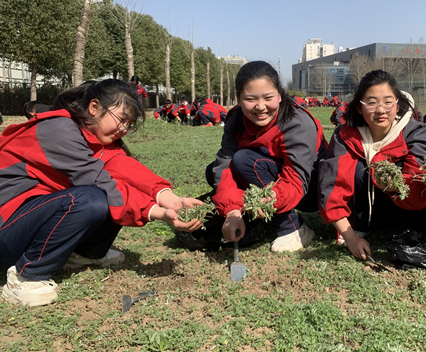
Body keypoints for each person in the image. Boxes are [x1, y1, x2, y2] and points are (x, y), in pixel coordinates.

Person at [0, 80, 203, 306]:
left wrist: (170, 199)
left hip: (22, 220)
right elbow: (101, 182)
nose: (124, 129)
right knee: (92, 198)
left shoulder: (92, 134)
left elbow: (124, 167)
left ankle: (84, 254)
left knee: (108, 192)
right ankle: (25, 275)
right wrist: (159, 213)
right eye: (121, 120)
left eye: (129, 124)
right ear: (94, 107)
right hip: (5, 227)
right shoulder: (58, 130)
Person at [318, 70, 426, 260]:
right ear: (359, 107)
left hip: (410, 208)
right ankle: (360, 227)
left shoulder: (416, 133)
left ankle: (407, 224)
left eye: (388, 102)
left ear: (398, 105)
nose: (381, 110)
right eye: (372, 103)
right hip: (365, 211)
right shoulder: (345, 135)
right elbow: (332, 187)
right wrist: (350, 237)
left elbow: (420, 189)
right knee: (359, 169)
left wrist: (395, 186)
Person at [205, 61, 327, 252]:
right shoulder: (236, 118)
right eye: (250, 99)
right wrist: (231, 210)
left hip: (310, 188)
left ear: (279, 95)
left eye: (268, 97)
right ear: (238, 98)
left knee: (244, 161)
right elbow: (224, 162)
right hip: (270, 176)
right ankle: (249, 220)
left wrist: (275, 197)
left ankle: (293, 228)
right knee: (214, 171)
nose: (260, 107)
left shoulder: (297, 122)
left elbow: (296, 178)